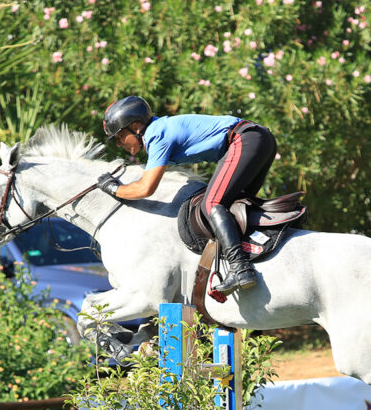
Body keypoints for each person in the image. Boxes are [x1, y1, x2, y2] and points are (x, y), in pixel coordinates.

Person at [96, 95, 277, 296]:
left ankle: (240, 269)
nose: (119, 143)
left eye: (120, 136)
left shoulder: (156, 134)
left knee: (212, 204)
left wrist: (112, 188)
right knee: (235, 208)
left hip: (244, 139)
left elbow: (145, 189)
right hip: (259, 138)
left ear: (136, 126)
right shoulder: (160, 129)